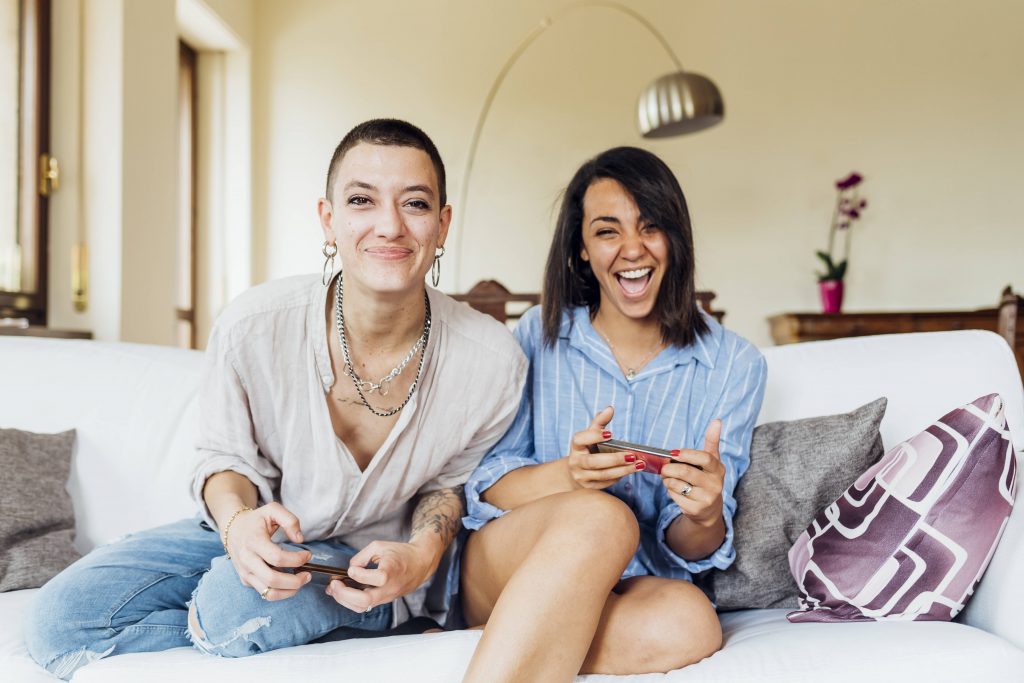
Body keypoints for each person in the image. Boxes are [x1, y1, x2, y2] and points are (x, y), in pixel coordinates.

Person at [24, 119, 526, 679]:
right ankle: (238, 621)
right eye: (362, 200)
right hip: (247, 530)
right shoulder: (253, 325)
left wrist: (421, 558)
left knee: (231, 608)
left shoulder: (492, 359)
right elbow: (224, 460)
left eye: (414, 203)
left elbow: (448, 486)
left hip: (370, 562)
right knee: (59, 623)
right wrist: (239, 526)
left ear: (442, 224)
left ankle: (375, 620)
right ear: (328, 220)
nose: (389, 226)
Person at [458, 146, 767, 682]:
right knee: (601, 516)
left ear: (675, 238)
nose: (632, 250)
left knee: (693, 624)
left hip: (633, 583)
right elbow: (484, 487)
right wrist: (568, 476)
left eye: (650, 227)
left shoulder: (734, 363)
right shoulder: (538, 334)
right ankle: (521, 620)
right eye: (607, 231)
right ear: (581, 248)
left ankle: (517, 640)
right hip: (510, 562)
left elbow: (691, 547)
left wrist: (706, 513)